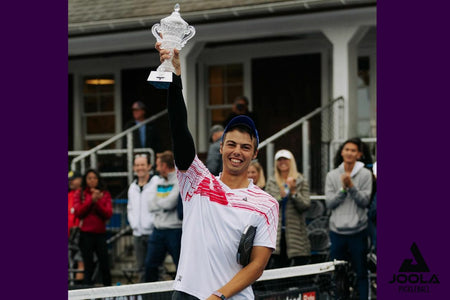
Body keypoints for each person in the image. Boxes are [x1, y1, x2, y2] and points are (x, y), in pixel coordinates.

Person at [157, 43, 279, 300]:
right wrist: (174, 78)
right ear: (221, 147)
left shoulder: (266, 204)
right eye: (232, 144)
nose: (238, 151)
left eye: (246, 147)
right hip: (187, 293)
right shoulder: (197, 181)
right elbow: (179, 127)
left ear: (254, 154)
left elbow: (257, 266)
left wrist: (219, 296)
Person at [325, 138, 372, 300]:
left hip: (358, 232)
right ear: (342, 152)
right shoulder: (332, 175)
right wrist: (343, 190)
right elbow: (330, 203)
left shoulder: (366, 174)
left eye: (353, 150)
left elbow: (365, 201)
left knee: (361, 272)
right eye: (347, 149)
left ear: (359, 154)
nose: (349, 153)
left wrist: (351, 187)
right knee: (338, 273)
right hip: (337, 232)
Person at [265, 149, 311, 269]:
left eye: (285, 159)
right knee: (278, 268)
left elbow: (305, 205)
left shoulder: (300, 180)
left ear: (291, 162)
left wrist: (294, 193)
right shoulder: (271, 181)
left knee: (298, 269)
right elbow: (267, 205)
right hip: (277, 234)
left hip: (296, 233)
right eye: (279, 160)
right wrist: (281, 196)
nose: (282, 162)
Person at [144, 150, 182, 282]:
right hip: (158, 231)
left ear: (164, 166)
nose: (157, 168)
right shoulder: (156, 182)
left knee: (181, 267)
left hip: (175, 231)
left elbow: (170, 204)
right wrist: (162, 204)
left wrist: (158, 203)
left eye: (158, 165)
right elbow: (149, 205)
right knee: (150, 266)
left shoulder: (179, 181)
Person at [73, 169, 113, 286]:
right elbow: (78, 212)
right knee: (88, 265)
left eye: (94, 178)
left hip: (100, 234)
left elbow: (108, 214)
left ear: (98, 179)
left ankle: (108, 292)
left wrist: (97, 202)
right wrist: (91, 200)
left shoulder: (104, 194)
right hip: (86, 234)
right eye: (89, 178)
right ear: (85, 180)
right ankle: (87, 292)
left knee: (105, 265)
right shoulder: (80, 193)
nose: (92, 181)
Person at [127, 153, 156, 282]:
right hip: (137, 234)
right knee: (140, 268)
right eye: (137, 165)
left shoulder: (156, 183)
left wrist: (152, 223)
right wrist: (133, 224)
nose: (140, 168)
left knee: (154, 268)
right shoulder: (132, 188)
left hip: (152, 233)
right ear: (134, 168)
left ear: (149, 166)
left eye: (143, 165)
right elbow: (130, 208)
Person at [68, 170, 84, 282]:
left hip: (80, 233)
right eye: (70, 180)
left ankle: (78, 287)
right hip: (68, 233)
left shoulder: (84, 194)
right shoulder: (68, 195)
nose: (71, 182)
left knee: (80, 261)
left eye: (73, 179)